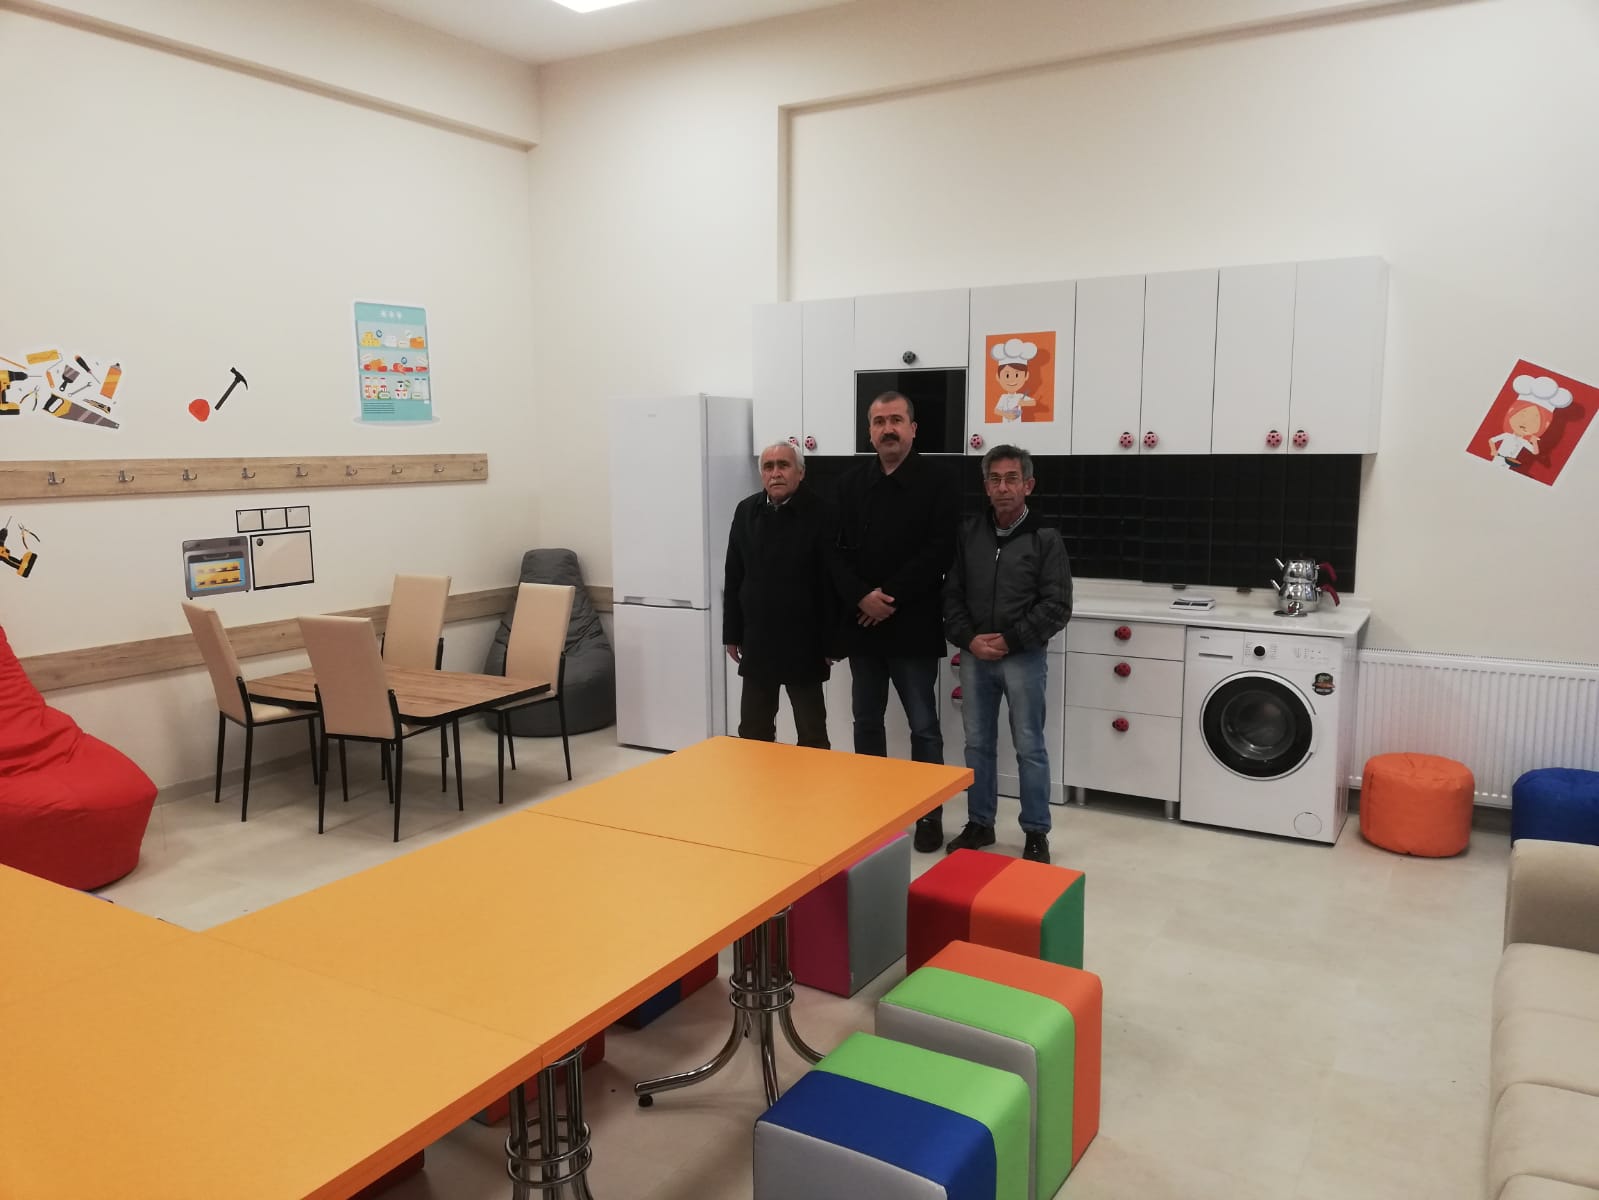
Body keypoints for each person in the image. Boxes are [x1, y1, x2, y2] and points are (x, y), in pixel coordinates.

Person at [832, 391, 958, 851]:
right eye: (879, 421)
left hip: (913, 624)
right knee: (866, 722)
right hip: (863, 625)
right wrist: (861, 597)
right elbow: (834, 553)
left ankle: (929, 815)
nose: (888, 428)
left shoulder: (939, 482)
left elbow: (940, 550)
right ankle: (876, 814)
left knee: (923, 726)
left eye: (896, 420)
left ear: (912, 428)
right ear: (869, 432)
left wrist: (888, 597)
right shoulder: (849, 485)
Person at [942, 443, 1071, 863]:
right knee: (977, 744)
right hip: (976, 655)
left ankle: (1035, 832)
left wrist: (1011, 640)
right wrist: (969, 639)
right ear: (986, 486)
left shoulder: (1045, 537)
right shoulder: (969, 533)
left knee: (1029, 745)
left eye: (1011, 479)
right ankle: (980, 823)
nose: (1003, 488)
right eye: (994, 479)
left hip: (1023, 657)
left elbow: (1057, 605)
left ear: (1028, 485)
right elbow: (952, 594)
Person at [723, 441, 841, 749]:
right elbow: (734, 576)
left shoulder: (822, 513)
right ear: (762, 473)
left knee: (812, 733)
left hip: (806, 641)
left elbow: (832, 583)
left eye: (784, 465)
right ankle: (760, 781)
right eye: (768, 466)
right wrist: (731, 633)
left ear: (801, 472)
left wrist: (832, 641)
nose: (775, 473)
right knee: (753, 732)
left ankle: (811, 783)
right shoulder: (746, 511)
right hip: (758, 638)